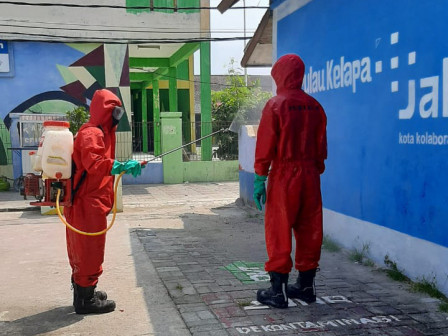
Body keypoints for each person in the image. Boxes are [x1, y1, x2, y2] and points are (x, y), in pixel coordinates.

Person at [253, 54, 327, 309]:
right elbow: (321, 147)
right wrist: (314, 168)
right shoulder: (315, 106)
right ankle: (306, 286)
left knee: (278, 230)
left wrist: (260, 177)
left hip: (285, 175)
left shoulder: (276, 105)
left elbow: (265, 145)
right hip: (310, 176)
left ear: (280, 75)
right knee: (310, 230)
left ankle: (278, 292)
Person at [64, 89, 143, 314]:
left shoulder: (102, 132)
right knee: (89, 250)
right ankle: (86, 301)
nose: (118, 116)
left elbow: (100, 162)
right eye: (115, 111)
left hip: (90, 202)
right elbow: (95, 164)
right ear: (105, 111)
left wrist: (121, 165)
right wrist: (119, 166)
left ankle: (84, 292)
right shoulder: (92, 134)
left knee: (85, 249)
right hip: (86, 204)